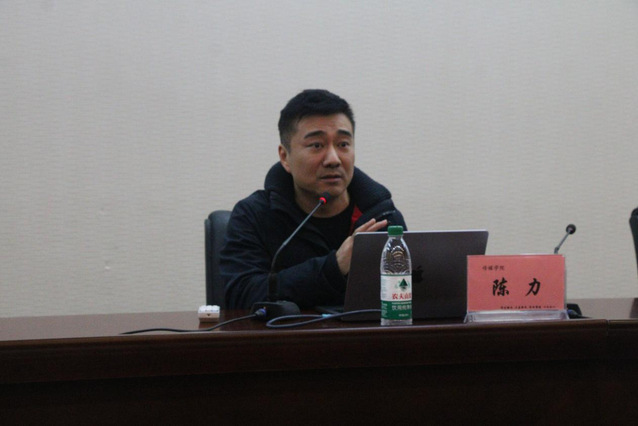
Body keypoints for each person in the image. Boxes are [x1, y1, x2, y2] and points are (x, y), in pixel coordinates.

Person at [221, 89, 407, 309]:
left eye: (343, 144)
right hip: (286, 333)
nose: (333, 159)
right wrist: (333, 267)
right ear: (285, 157)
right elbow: (240, 296)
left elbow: (409, 294)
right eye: (317, 145)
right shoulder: (254, 216)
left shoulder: (383, 217)